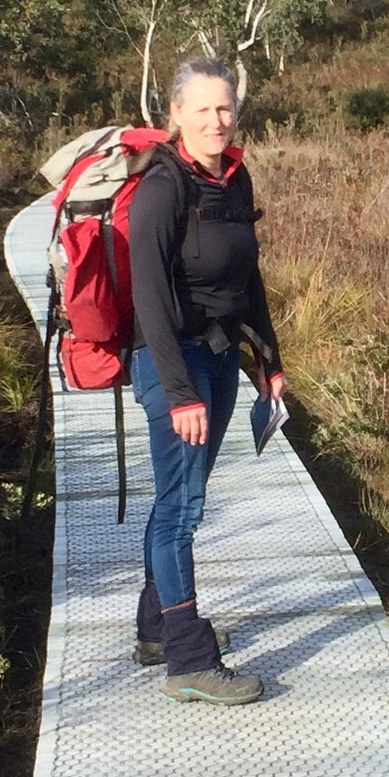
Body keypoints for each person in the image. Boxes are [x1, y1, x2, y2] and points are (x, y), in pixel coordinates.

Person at [127, 57, 285, 703]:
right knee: (182, 510)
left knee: (174, 500)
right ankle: (189, 660)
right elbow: (149, 299)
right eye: (203, 110)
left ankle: (156, 631)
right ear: (176, 117)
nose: (217, 121)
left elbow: (248, 279)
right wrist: (181, 391)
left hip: (220, 357)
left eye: (225, 109)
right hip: (172, 360)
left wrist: (268, 361)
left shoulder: (233, 178)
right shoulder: (162, 188)